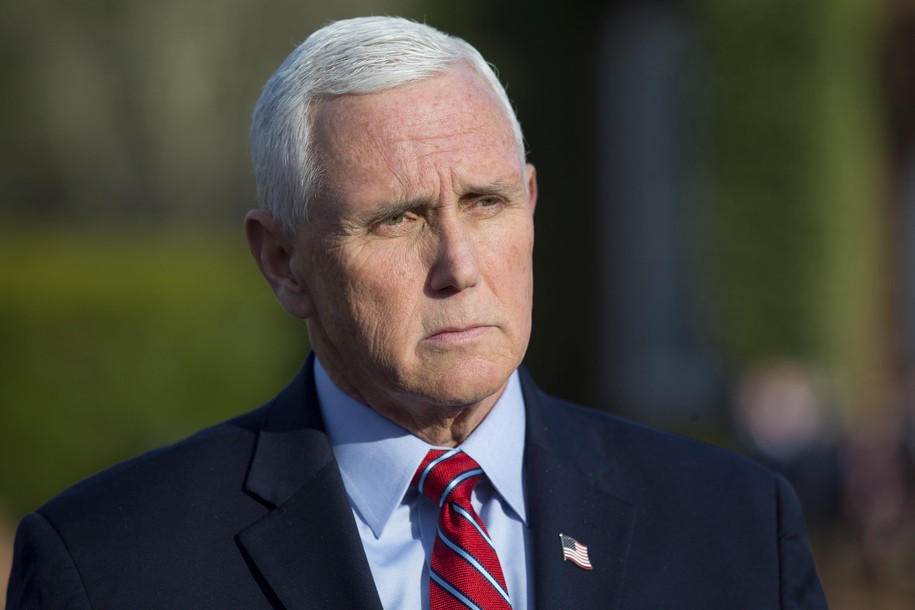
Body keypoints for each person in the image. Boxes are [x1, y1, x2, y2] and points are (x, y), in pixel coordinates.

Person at [6, 16, 827, 609]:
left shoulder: (737, 529)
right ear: (283, 262)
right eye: (397, 219)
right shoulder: (109, 566)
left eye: (486, 202)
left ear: (531, 205)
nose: (459, 266)